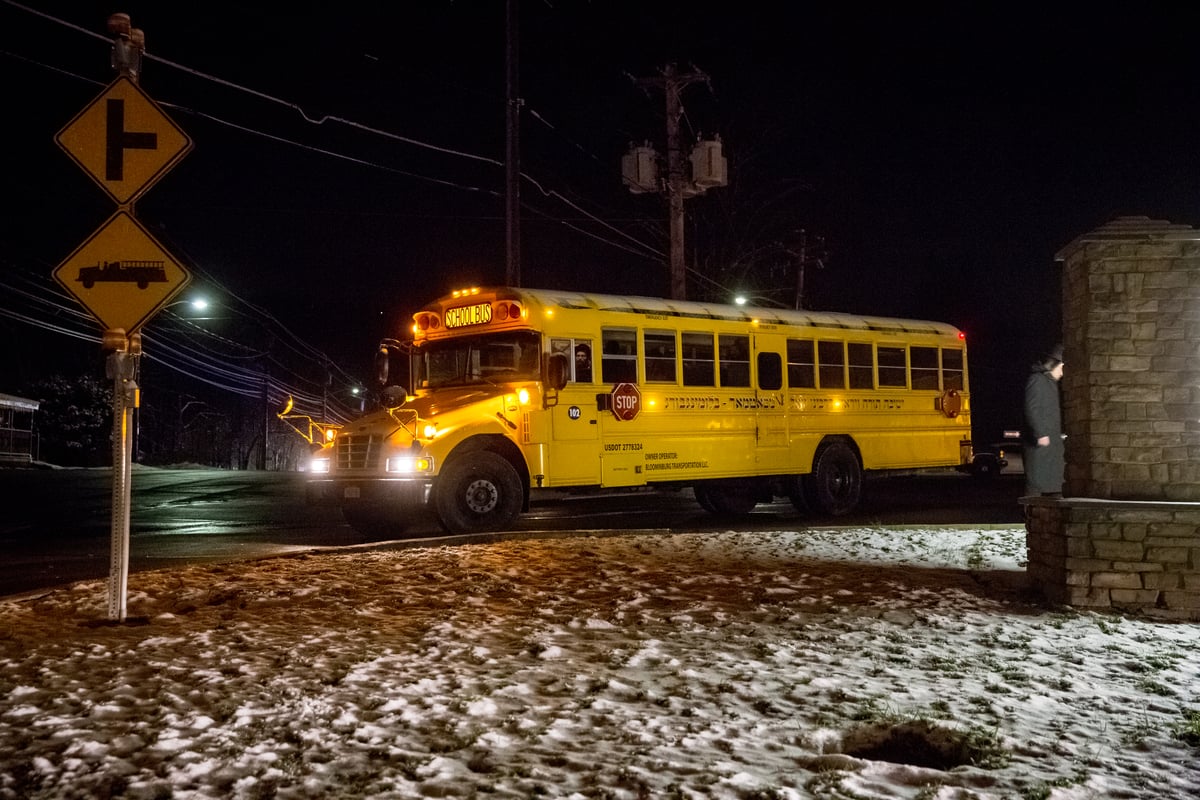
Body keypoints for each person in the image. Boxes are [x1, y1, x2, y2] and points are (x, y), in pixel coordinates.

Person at [1023, 344, 1065, 496]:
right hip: (1041, 445)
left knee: (1053, 485)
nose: (1062, 373)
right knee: (1037, 485)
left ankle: (1052, 517)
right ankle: (1032, 516)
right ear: (1055, 365)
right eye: (1062, 367)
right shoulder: (1037, 380)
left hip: (1051, 445)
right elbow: (1032, 408)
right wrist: (1040, 433)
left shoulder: (1050, 383)